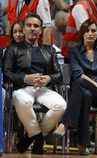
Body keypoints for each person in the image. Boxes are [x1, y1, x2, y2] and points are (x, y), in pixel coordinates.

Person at [53, 19, 97, 156]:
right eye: (87, 31)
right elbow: (79, 74)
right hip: (83, 92)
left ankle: (64, 125)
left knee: (83, 87)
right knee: (83, 91)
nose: (90, 33)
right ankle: (83, 145)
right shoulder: (75, 52)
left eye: (93, 31)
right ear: (82, 34)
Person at [3, 13, 67, 154]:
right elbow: (6, 73)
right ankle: (38, 138)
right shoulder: (13, 48)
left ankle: (29, 137)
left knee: (61, 105)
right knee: (22, 100)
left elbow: (59, 75)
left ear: (40, 31)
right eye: (29, 25)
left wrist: (48, 78)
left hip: (44, 88)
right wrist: (26, 78)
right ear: (24, 29)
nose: (32, 28)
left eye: (36, 26)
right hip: (22, 88)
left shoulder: (49, 50)